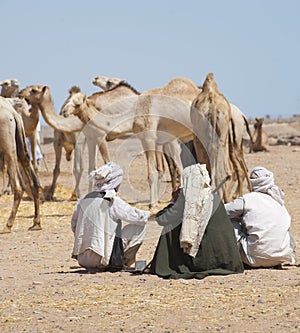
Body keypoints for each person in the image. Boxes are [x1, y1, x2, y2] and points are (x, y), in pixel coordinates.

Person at [149, 163, 244, 279]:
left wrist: (174, 201)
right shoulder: (215, 199)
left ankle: (168, 264)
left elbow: (161, 219)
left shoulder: (186, 202)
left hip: (204, 261)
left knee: (169, 227)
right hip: (224, 260)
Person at [71, 162, 151, 271]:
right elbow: (137, 217)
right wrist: (153, 215)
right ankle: (120, 261)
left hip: (83, 259)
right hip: (102, 259)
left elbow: (74, 226)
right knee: (139, 227)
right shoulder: (112, 200)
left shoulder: (83, 200)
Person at [225, 166, 296, 268]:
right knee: (284, 227)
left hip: (253, 259)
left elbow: (223, 211)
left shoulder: (248, 199)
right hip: (280, 257)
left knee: (229, 221)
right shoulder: (279, 202)